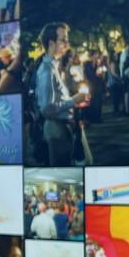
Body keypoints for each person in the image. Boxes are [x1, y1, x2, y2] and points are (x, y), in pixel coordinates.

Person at [34, 22, 90, 166]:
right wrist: (74, 100)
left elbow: (57, 100)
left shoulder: (54, 67)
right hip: (56, 129)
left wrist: (75, 101)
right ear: (51, 43)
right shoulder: (47, 70)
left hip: (62, 126)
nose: (67, 43)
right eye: (63, 39)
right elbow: (47, 108)